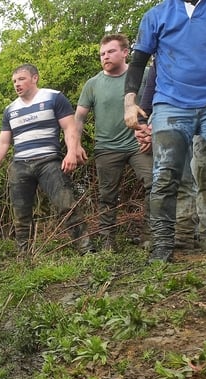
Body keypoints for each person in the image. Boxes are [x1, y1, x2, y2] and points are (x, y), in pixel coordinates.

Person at [123, 0, 206, 262]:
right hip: (170, 104)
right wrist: (130, 103)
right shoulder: (157, 15)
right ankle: (162, 246)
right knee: (165, 175)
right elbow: (138, 62)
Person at [0, 64, 93, 255]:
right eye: (14, 81)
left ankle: (86, 249)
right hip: (20, 165)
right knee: (20, 214)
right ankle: (24, 256)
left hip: (49, 161)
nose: (17, 84)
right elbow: (3, 142)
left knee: (66, 205)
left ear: (35, 78)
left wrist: (71, 152)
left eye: (21, 79)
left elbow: (69, 128)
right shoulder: (10, 110)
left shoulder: (53, 97)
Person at [74, 34, 153, 252]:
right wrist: (75, 145)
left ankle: (150, 236)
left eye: (110, 51)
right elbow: (79, 117)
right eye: (102, 53)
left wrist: (152, 131)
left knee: (154, 184)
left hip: (140, 143)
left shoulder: (144, 75)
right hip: (107, 147)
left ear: (125, 52)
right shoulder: (93, 84)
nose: (105, 57)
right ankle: (107, 241)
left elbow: (159, 102)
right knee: (107, 196)